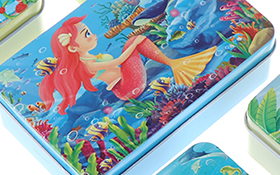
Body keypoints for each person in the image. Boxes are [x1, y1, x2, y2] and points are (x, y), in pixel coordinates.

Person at [38, 15, 216, 115]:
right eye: (87, 35)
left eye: (90, 32)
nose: (93, 35)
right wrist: (134, 43)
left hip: (126, 85)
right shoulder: (87, 64)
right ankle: (175, 65)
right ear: (72, 48)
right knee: (133, 40)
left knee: (134, 42)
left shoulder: (90, 59)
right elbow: (119, 61)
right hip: (128, 88)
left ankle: (174, 64)